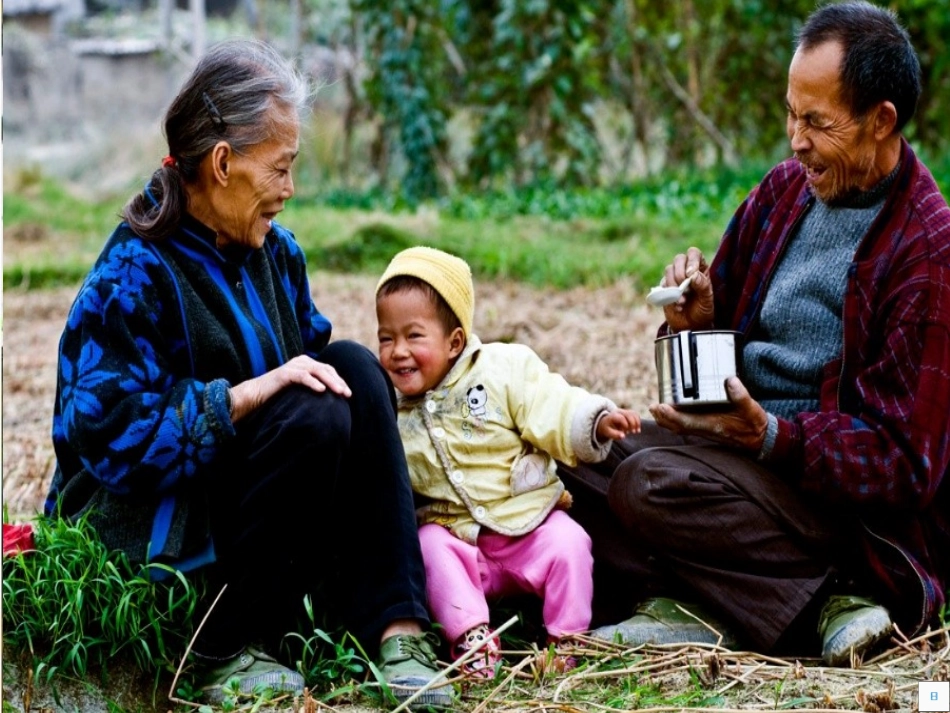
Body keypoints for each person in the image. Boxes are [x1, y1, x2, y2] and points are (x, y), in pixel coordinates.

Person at [44, 38, 452, 708]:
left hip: (256, 503)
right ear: (224, 162)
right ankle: (225, 647)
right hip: (147, 511)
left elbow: (321, 382)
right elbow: (110, 438)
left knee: (351, 366)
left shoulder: (277, 253)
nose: (290, 191)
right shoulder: (132, 273)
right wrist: (243, 397)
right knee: (315, 406)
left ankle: (398, 626)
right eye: (281, 169)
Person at [559, 0, 950, 667]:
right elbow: (712, 367)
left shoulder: (925, 249)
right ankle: (716, 602)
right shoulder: (782, 192)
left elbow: (905, 466)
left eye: (817, 122)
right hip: (736, 463)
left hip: (835, 505)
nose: (796, 140)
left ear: (880, 120)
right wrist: (694, 324)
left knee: (649, 485)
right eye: (791, 114)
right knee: (572, 457)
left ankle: (831, 593)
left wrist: (773, 436)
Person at [374, 246, 642, 677]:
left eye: (414, 336)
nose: (397, 351)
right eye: (386, 338)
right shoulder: (394, 409)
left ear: (454, 341)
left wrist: (594, 421)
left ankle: (566, 639)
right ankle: (471, 638)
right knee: (428, 549)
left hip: (527, 527)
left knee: (571, 544)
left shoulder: (502, 369)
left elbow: (551, 402)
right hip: (458, 540)